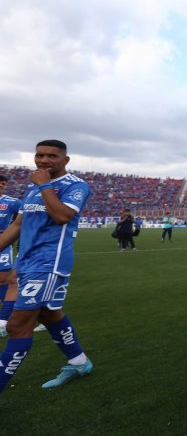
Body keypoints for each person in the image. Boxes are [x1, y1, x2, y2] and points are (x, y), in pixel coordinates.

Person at [0, 140, 93, 395]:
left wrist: (44, 185)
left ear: (65, 160)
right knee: (48, 315)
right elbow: (18, 225)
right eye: (39, 155)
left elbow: (62, 216)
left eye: (51, 156)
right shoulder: (32, 187)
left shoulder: (75, 185)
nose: (43, 160)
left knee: (17, 326)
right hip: (26, 261)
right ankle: (79, 362)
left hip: (49, 262)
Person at [0, 174, 22, 337]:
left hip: (2, 242)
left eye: (3, 183)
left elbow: (22, 220)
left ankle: (6, 319)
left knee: (3, 279)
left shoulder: (12, 202)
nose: (1, 185)